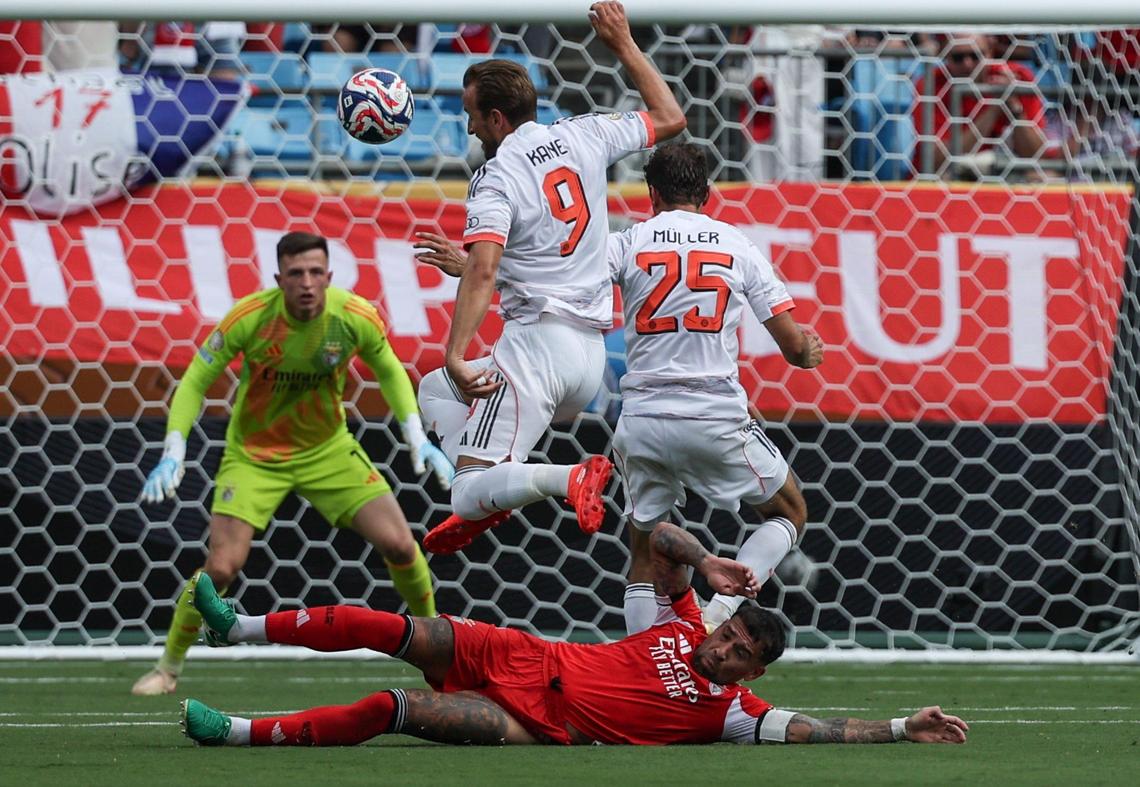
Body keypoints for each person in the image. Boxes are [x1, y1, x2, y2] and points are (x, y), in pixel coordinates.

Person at [413, 144, 823, 635]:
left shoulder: (627, 242)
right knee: (789, 511)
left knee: (644, 554)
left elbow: (554, 285)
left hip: (643, 419)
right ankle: (718, 614)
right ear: (708, 193)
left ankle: (639, 664)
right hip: (714, 414)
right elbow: (794, 347)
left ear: (651, 193)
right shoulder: (738, 246)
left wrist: (472, 267)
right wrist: (808, 352)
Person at [179, 521, 968, 747]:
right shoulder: (683, 618)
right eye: (732, 641)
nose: (726, 654)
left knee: (398, 707)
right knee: (395, 626)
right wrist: (709, 563)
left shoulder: (734, 715)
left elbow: (824, 728)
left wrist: (902, 725)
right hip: (525, 653)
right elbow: (656, 534)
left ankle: (243, 733)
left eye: (742, 659)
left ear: (748, 672)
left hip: (540, 722)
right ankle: (236, 626)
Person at [131, 231, 453, 696]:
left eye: (315, 273)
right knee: (221, 568)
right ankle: (169, 667)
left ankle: (434, 651)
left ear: (329, 277)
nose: (307, 282)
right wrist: (173, 450)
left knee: (402, 547)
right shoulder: (250, 317)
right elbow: (196, 380)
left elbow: (389, 371)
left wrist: (416, 436)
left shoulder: (355, 317)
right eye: (297, 274)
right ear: (279, 279)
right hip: (255, 457)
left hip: (327, 451)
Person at [426, 0, 687, 553]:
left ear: (496, 118)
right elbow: (670, 118)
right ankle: (495, 489)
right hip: (587, 361)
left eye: (472, 113)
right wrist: (622, 45)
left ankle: (559, 479)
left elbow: (486, 269)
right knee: (433, 391)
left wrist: (457, 346)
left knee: (463, 490)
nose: (469, 125)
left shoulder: (495, 177)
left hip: (536, 352)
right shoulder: (584, 134)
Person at [913, 33, 1047, 176]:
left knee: (1040, 176)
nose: (967, 64)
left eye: (976, 56)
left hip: (1005, 174)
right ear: (945, 56)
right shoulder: (930, 85)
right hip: (951, 177)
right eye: (958, 58)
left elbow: (1036, 156)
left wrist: (1015, 109)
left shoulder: (1017, 78)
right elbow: (937, 161)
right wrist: (996, 106)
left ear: (990, 52)